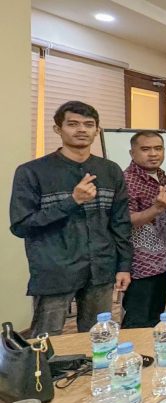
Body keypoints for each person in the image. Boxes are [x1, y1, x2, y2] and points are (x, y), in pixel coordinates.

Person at [10, 100, 132, 335]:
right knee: (47, 340)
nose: (81, 130)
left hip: (101, 267)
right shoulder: (32, 172)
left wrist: (124, 265)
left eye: (89, 124)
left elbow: (120, 223)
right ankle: (44, 374)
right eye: (73, 124)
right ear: (58, 129)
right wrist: (72, 202)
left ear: (97, 130)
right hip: (55, 269)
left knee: (99, 337)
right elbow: (22, 225)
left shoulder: (110, 170)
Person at [120, 130, 166, 329]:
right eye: (146, 149)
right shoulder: (127, 180)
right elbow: (127, 220)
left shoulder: (161, 176)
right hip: (139, 263)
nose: (153, 154)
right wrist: (157, 208)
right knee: (137, 319)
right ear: (132, 153)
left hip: (162, 259)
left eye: (158, 148)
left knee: (155, 316)